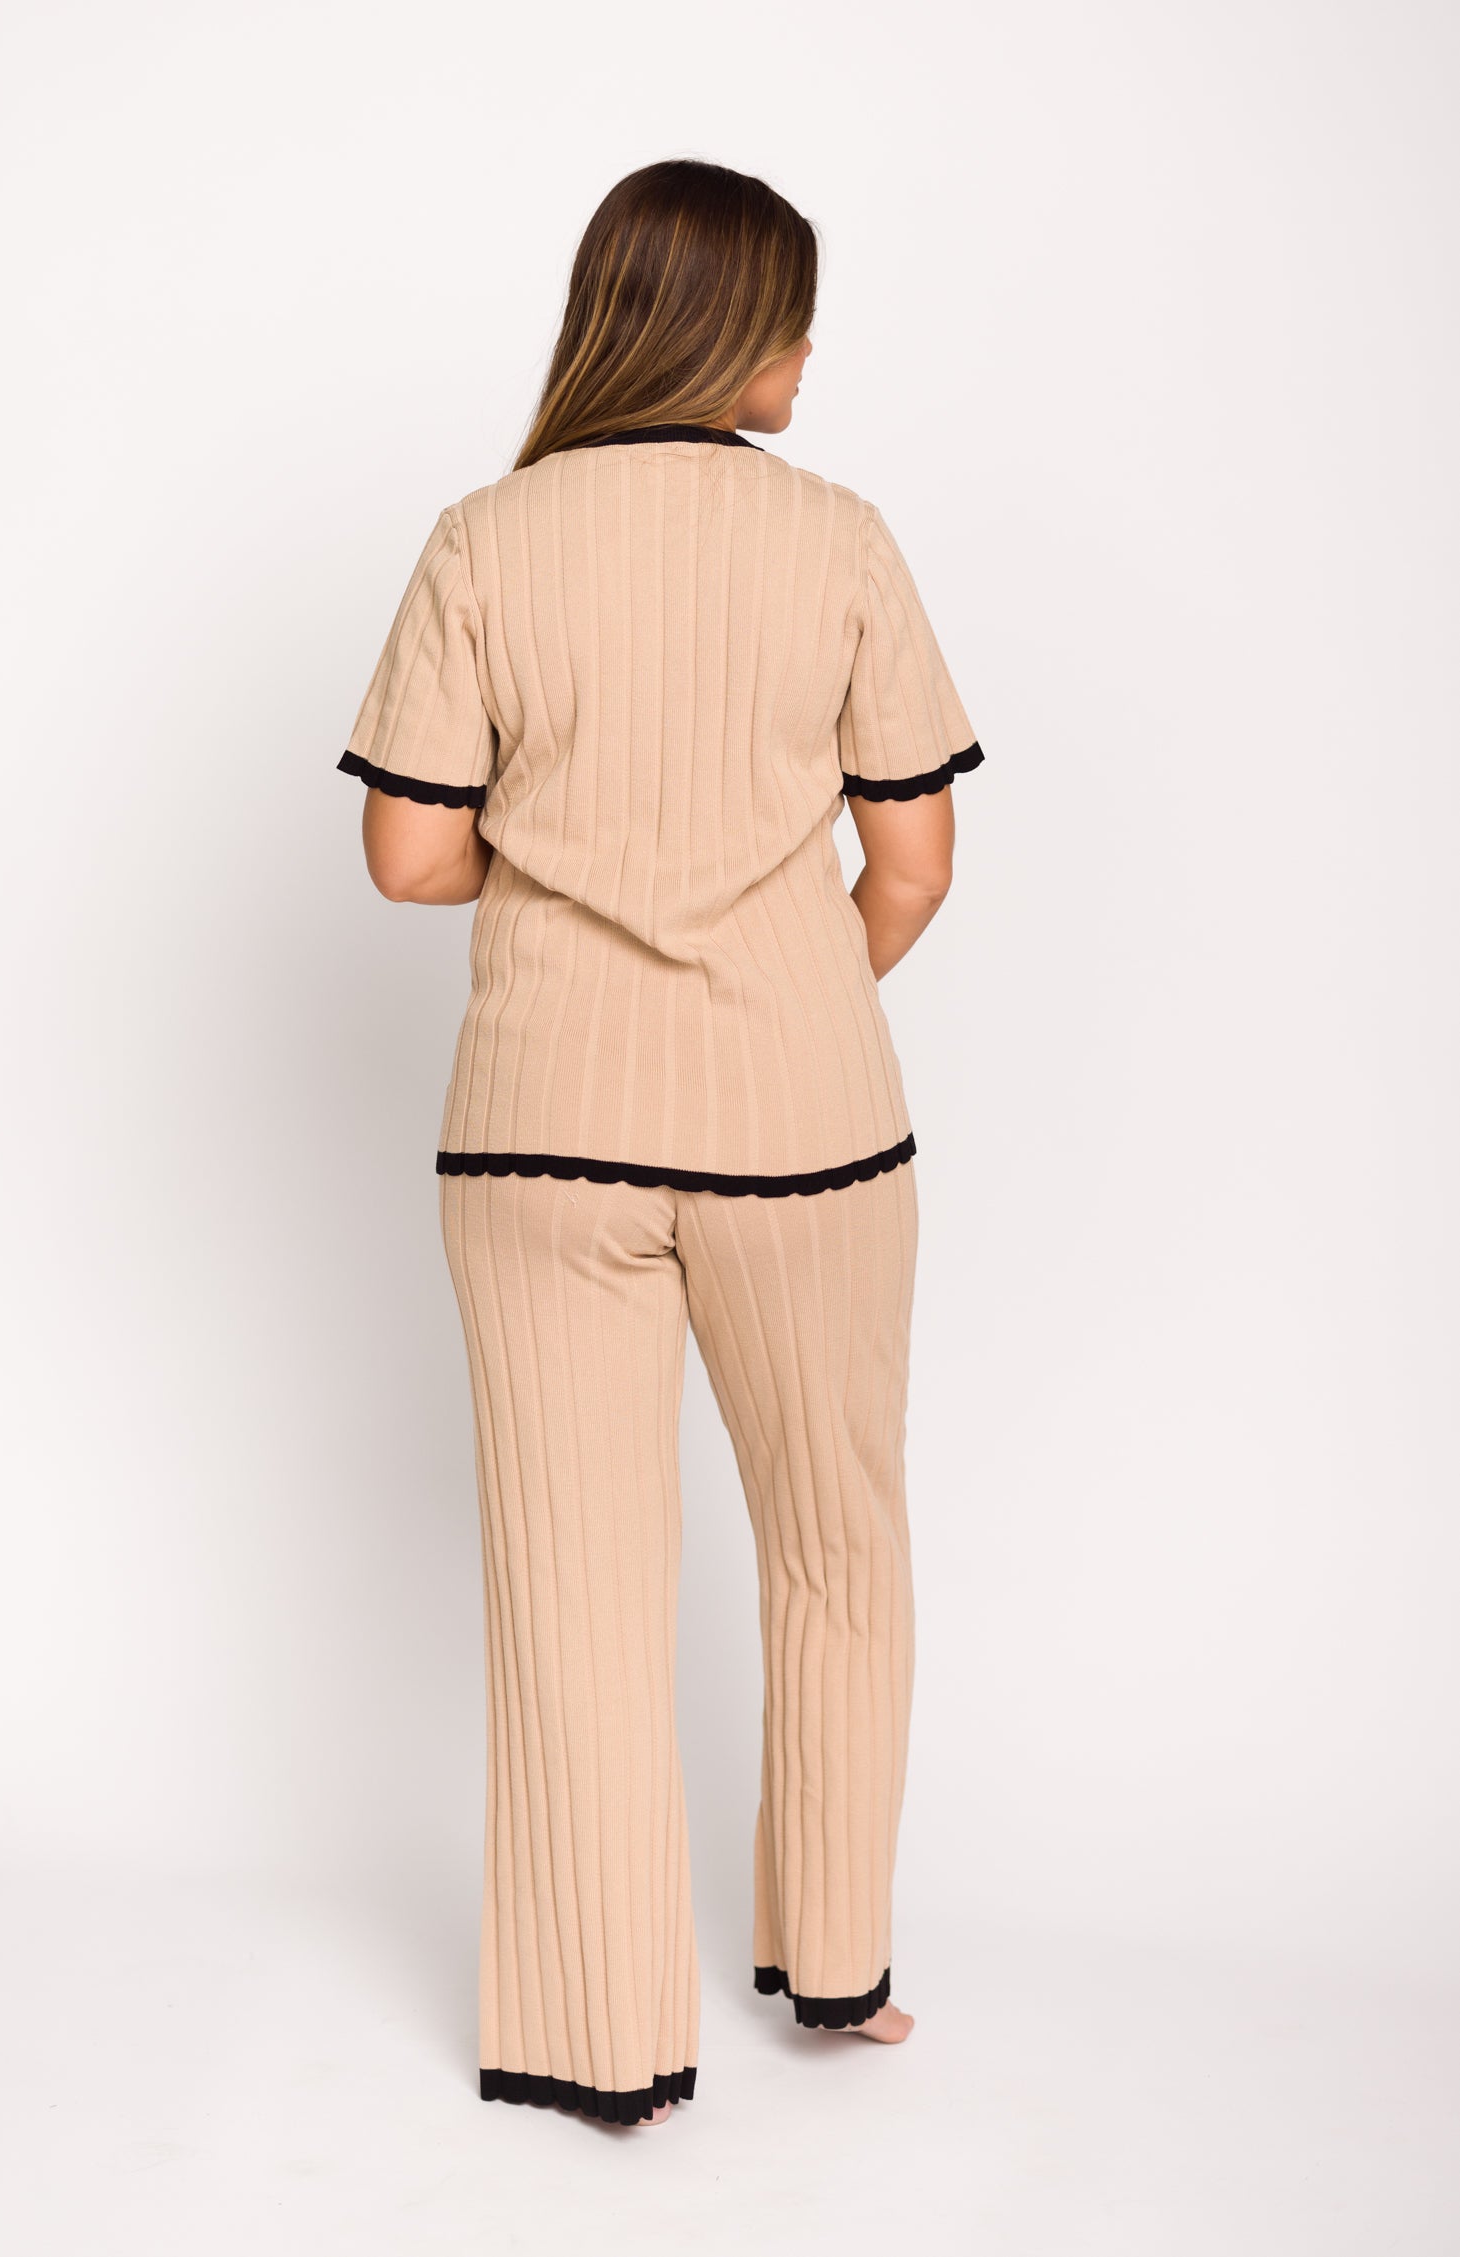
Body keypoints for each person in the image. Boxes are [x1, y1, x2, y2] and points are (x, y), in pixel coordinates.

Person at [337, 159, 984, 2129]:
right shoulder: (839, 539)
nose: (807, 352)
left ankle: (592, 2040)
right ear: (728, 332)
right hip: (810, 1129)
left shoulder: (483, 538)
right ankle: (839, 1968)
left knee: (573, 1578)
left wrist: (566, 884)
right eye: (791, 316)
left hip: (539, 1137)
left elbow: (407, 856)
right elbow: (913, 860)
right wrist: (783, 987)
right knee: (838, 1539)